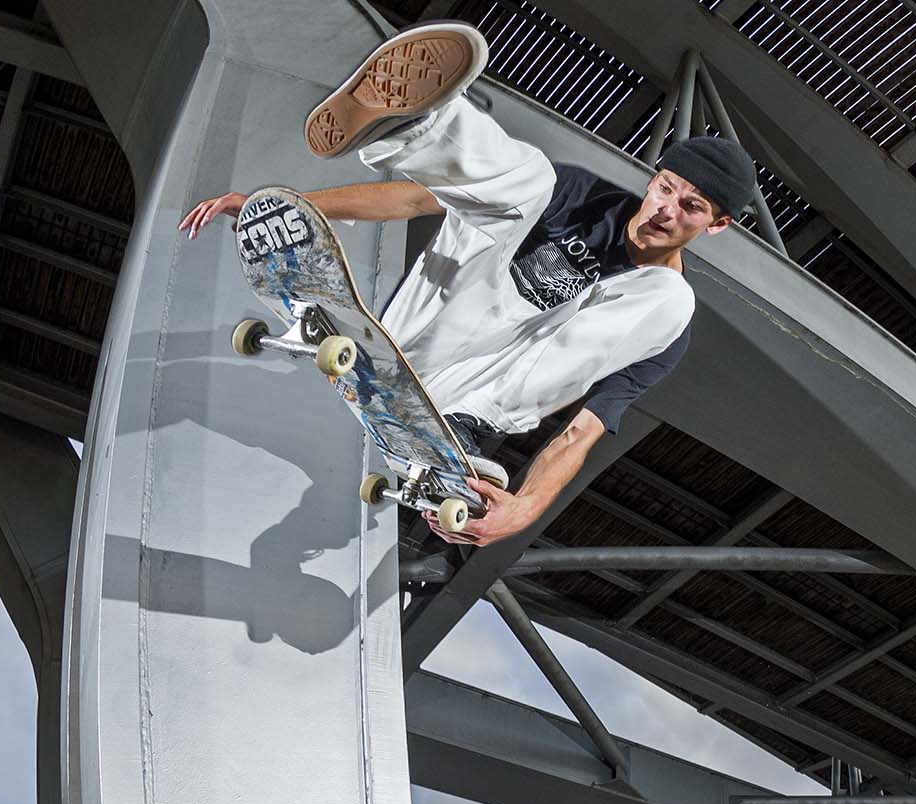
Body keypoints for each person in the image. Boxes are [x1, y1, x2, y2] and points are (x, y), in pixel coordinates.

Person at [181, 21, 760, 548]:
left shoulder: (658, 324)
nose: (664, 210)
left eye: (691, 207)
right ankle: (409, 124)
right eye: (663, 188)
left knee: (672, 300)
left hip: (463, 393)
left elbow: (580, 434)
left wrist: (524, 511)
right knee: (533, 179)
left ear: (716, 225)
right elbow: (415, 199)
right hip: (423, 324)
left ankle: (466, 422)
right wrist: (293, 207)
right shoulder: (580, 195)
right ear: (654, 179)